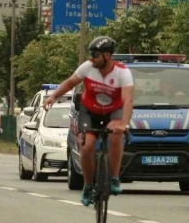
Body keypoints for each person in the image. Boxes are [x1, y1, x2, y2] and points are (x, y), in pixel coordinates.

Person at [43, 36, 133, 206]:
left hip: (113, 112)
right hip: (89, 111)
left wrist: (124, 124)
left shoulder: (123, 72)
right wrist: (54, 96)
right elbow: (70, 82)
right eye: (91, 54)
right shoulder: (87, 67)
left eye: (95, 55)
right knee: (87, 146)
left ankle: (114, 178)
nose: (91, 58)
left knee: (115, 135)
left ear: (107, 55)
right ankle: (88, 185)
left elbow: (128, 100)